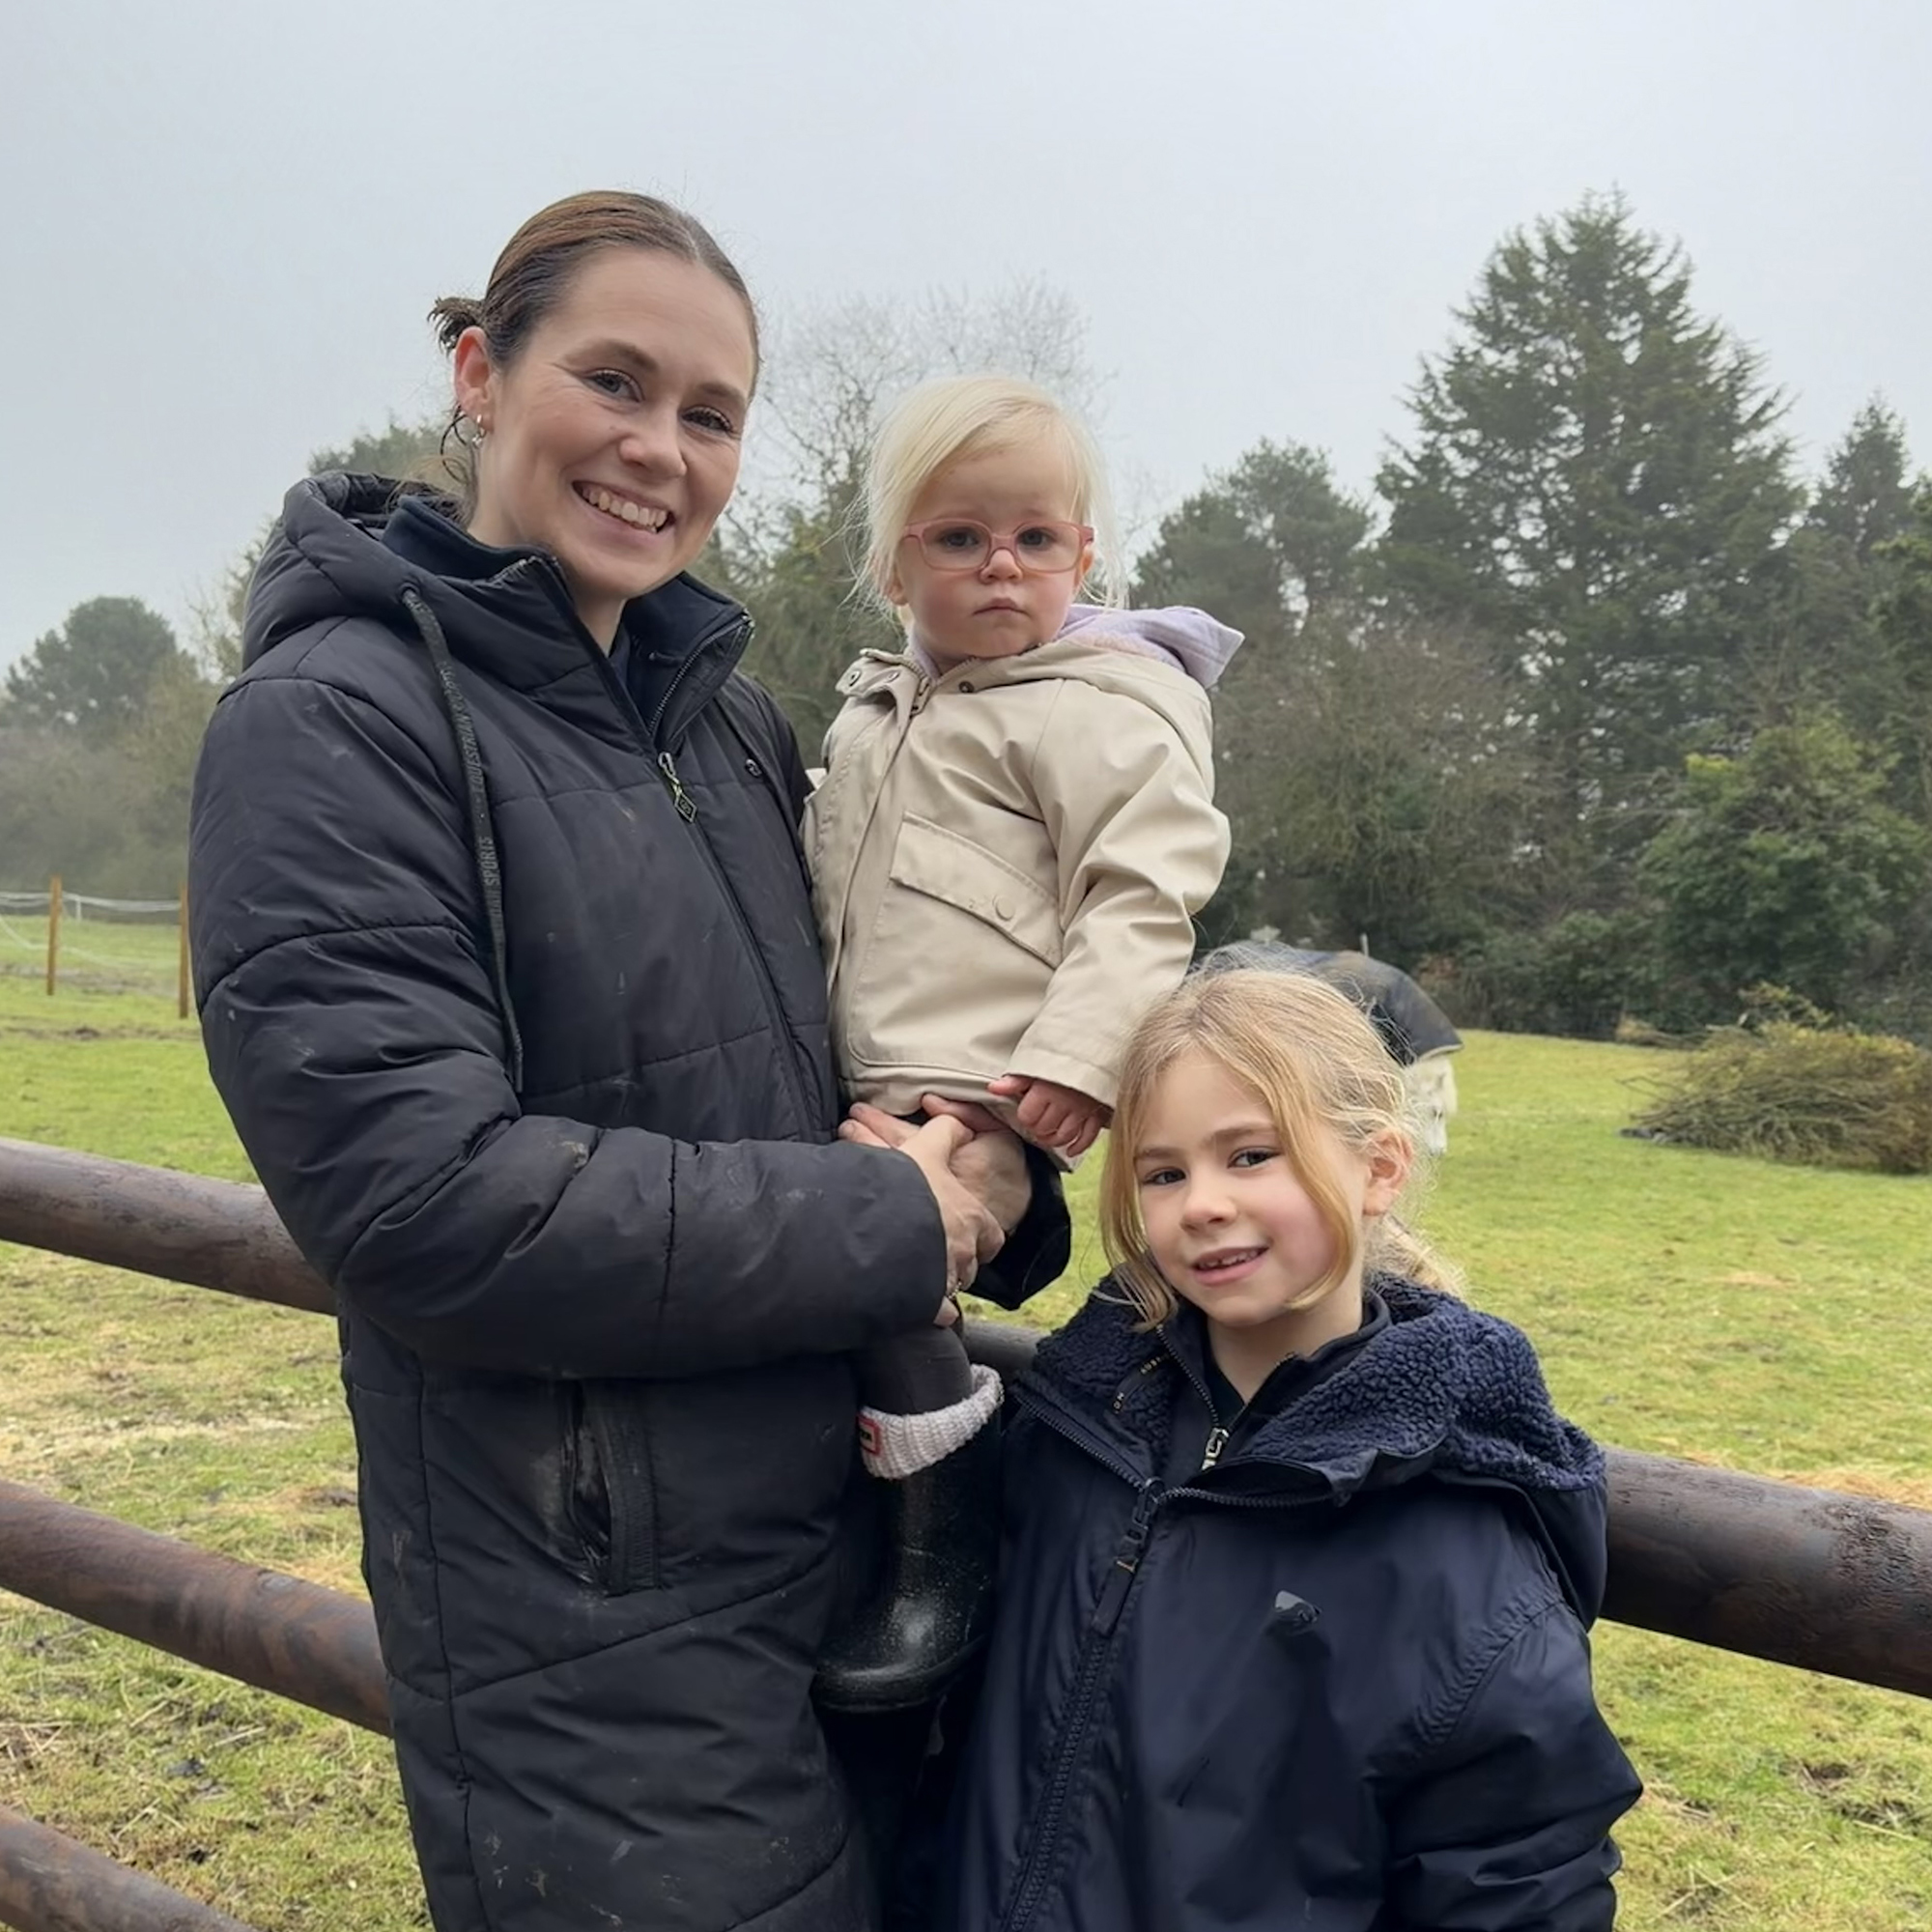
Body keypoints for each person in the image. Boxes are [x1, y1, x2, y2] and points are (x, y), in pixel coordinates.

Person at [187, 191, 1066, 1932]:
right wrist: (903, 1226)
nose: (661, 450)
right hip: (587, 1624)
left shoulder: (726, 720)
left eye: (713, 414)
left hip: (856, 1550)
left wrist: (993, 1157)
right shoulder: (336, 723)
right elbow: (427, 1203)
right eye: (616, 380)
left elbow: (854, 1046)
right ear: (479, 374)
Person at [927, 968, 1642, 1931]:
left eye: (1251, 1153)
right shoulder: (1069, 1433)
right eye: (1162, 1170)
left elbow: (1516, 1880)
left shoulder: (1457, 1540)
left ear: (1378, 1167)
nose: (1203, 1203)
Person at [804, 375, 1236, 1706]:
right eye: (960, 538)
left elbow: (1143, 889)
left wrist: (1076, 1061)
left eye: (1035, 540)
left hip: (988, 1091)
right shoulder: (876, 712)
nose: (1002, 566)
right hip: (859, 1078)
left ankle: (951, 1549)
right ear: (893, 564)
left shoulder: (1105, 707)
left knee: (899, 1273)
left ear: (1085, 554)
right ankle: (867, 1530)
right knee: (816, 1278)